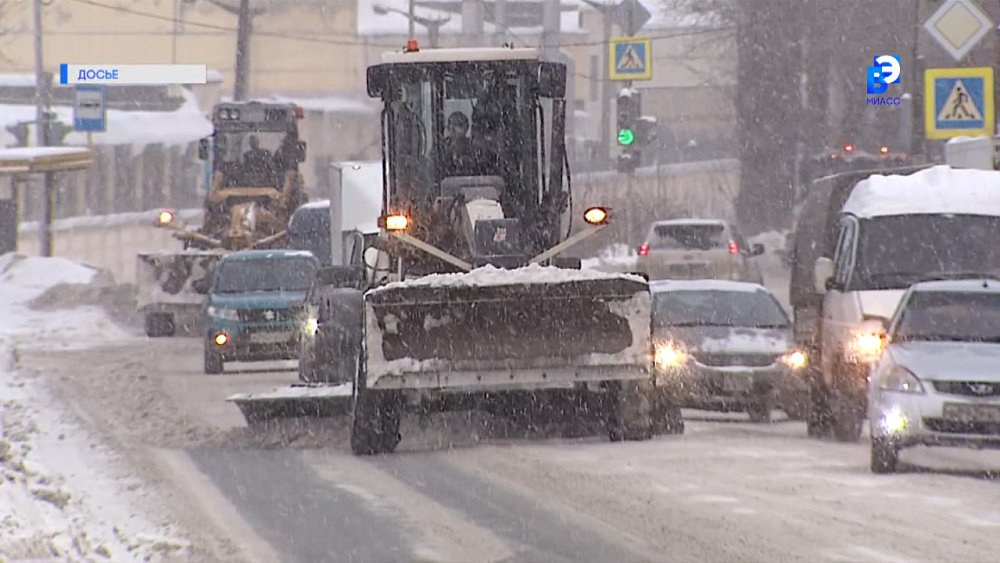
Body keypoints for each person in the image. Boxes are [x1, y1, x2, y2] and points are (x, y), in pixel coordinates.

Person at [440, 111, 474, 177]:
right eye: (450, 124)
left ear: (466, 128)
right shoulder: (441, 146)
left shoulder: (472, 147)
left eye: (457, 124)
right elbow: (431, 165)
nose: (452, 128)